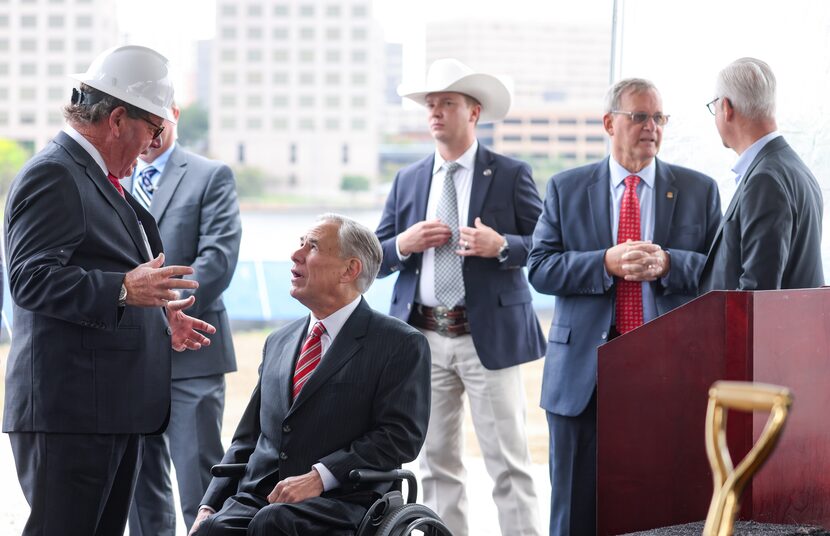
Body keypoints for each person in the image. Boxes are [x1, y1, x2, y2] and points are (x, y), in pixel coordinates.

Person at [2, 45, 216, 536]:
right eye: (153, 128)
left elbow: (100, 273)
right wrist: (123, 289)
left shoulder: (95, 178)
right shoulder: (55, 174)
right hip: (73, 415)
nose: (154, 143)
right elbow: (30, 280)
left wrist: (158, 316)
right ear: (118, 119)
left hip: (107, 410)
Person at [527, 78, 721, 535]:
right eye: (639, 117)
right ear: (609, 122)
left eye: (659, 118)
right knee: (574, 512)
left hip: (666, 368)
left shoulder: (699, 190)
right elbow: (539, 268)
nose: (650, 127)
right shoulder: (566, 187)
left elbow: (720, 271)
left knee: (664, 505)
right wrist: (605, 262)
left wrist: (671, 263)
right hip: (583, 374)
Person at [376, 58, 545, 536]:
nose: (435, 112)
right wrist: (403, 244)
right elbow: (374, 254)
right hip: (423, 339)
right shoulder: (408, 180)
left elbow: (548, 246)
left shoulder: (510, 175)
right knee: (434, 464)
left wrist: (503, 246)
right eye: (431, 104)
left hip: (484, 339)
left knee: (509, 464)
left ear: (473, 112)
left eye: (446, 103)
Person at [189, 214, 431, 536]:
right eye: (299, 243)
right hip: (262, 496)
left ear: (350, 269)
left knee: (273, 523)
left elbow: (400, 437)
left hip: (344, 499)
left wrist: (320, 476)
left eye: (312, 246)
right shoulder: (279, 341)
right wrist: (209, 504)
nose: (295, 254)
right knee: (213, 529)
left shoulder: (399, 343)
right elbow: (247, 438)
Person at [124, 103, 242, 535]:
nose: (151, 130)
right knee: (139, 494)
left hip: (192, 355)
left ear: (173, 111)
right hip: (129, 360)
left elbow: (218, 259)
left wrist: (164, 306)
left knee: (201, 488)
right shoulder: (111, 177)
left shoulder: (211, 175)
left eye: (158, 117)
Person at [699, 57, 824, 292]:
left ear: (726, 108)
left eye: (713, 106)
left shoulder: (764, 180)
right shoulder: (794, 168)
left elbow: (757, 294)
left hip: (766, 329)